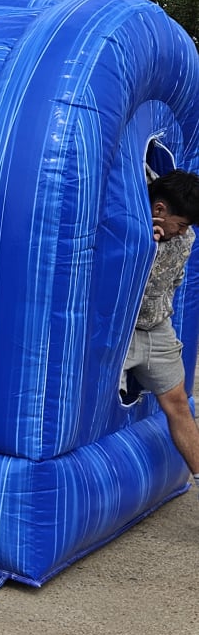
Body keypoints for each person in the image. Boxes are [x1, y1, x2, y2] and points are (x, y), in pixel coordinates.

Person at [123, 168, 199, 481]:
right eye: (180, 224)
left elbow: (174, 280)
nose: (183, 232)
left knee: (178, 402)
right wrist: (143, 246)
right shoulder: (126, 230)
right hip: (119, 332)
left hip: (156, 328)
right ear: (159, 210)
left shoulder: (185, 239)